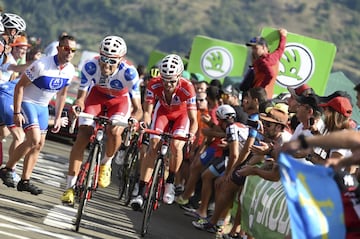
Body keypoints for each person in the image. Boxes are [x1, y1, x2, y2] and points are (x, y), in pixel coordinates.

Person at [60, 36, 143, 204]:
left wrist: (133, 120)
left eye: (111, 60)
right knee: (83, 135)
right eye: (103, 58)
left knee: (114, 130)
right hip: (96, 98)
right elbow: (81, 98)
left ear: (120, 59)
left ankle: (106, 162)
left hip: (119, 102)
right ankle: (70, 187)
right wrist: (77, 107)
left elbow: (138, 109)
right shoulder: (90, 66)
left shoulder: (129, 72)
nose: (106, 64)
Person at [0, 35, 77, 195]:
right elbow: (20, 86)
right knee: (33, 138)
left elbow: (62, 94)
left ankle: (25, 180)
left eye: (73, 50)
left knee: (39, 144)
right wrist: (16, 111)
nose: (69, 52)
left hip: (43, 106)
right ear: (58, 48)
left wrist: (57, 117)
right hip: (28, 102)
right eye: (66, 48)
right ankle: (7, 168)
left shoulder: (70, 70)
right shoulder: (42, 64)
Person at [130, 54, 198, 210]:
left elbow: (193, 119)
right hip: (162, 113)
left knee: (175, 145)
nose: (167, 85)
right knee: (153, 144)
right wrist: (145, 124)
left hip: (181, 116)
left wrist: (192, 134)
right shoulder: (154, 84)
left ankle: (170, 183)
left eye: (172, 81)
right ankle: (140, 193)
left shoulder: (187, 87)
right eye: (164, 80)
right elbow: (147, 112)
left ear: (179, 77)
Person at [245, 28, 287, 98]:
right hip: (268, 95)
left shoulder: (262, 61)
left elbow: (271, 74)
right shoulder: (274, 56)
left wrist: (261, 88)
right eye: (252, 48)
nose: (253, 51)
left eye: (255, 48)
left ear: (264, 47)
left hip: (258, 96)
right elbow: (281, 49)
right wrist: (283, 36)